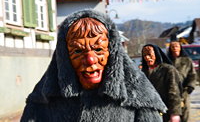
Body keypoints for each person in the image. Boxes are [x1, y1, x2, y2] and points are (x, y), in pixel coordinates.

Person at [20, 9, 166, 122]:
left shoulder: (139, 99)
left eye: (98, 50)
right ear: (64, 56)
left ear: (112, 52)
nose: (90, 59)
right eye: (78, 51)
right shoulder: (43, 100)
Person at [141, 44, 182, 122]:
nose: (147, 57)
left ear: (156, 54)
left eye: (149, 54)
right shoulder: (143, 72)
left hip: (166, 111)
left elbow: (174, 93)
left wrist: (175, 113)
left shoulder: (168, 70)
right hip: (149, 112)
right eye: (144, 55)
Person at [167, 40, 197, 122]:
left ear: (180, 48)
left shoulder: (187, 60)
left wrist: (190, 86)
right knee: (171, 115)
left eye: (177, 46)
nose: (175, 48)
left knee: (185, 113)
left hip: (184, 91)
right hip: (169, 91)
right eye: (172, 47)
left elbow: (192, 75)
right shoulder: (166, 61)